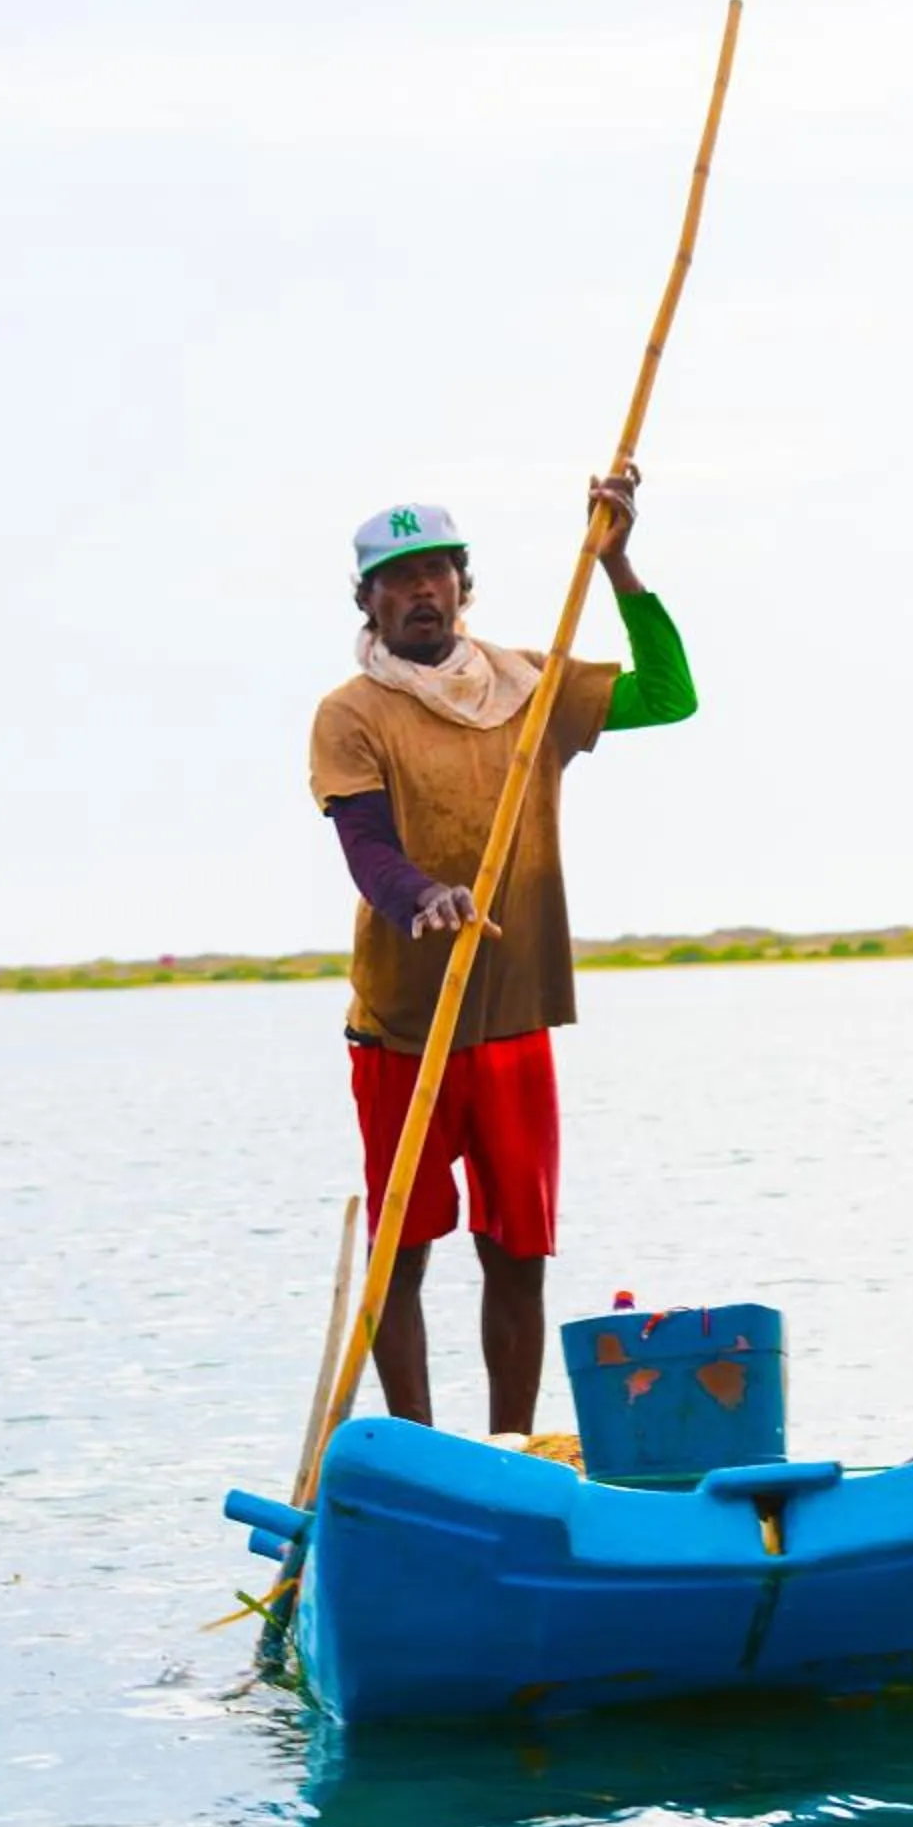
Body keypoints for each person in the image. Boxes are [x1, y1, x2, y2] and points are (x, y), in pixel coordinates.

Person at [307, 464, 696, 1437]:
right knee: (404, 1244)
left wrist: (618, 564)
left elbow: (671, 694)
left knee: (516, 1249)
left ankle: (509, 1451)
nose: (422, 591)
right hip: (402, 1028)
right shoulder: (352, 712)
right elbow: (366, 848)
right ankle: (413, 1448)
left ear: (463, 585)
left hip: (514, 1019)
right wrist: (423, 896)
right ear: (369, 600)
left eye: (437, 571)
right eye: (399, 579)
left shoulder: (529, 685)